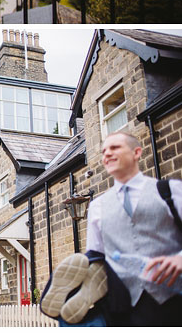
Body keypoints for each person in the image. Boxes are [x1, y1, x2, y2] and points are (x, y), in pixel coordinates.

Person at [86, 130, 182, 325]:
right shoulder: (97, 206)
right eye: (104, 151)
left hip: (173, 298)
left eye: (115, 148)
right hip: (121, 305)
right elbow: (95, 256)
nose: (107, 154)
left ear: (137, 152)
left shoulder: (170, 191)